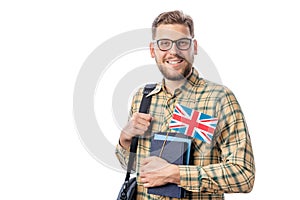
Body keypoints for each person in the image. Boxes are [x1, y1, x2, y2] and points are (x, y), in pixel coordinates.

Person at [116, 10, 255, 200]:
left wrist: (176, 174)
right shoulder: (143, 97)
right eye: (164, 43)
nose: (173, 51)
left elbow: (244, 175)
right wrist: (125, 139)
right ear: (152, 50)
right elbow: (133, 167)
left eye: (182, 43)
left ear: (194, 47)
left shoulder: (220, 99)